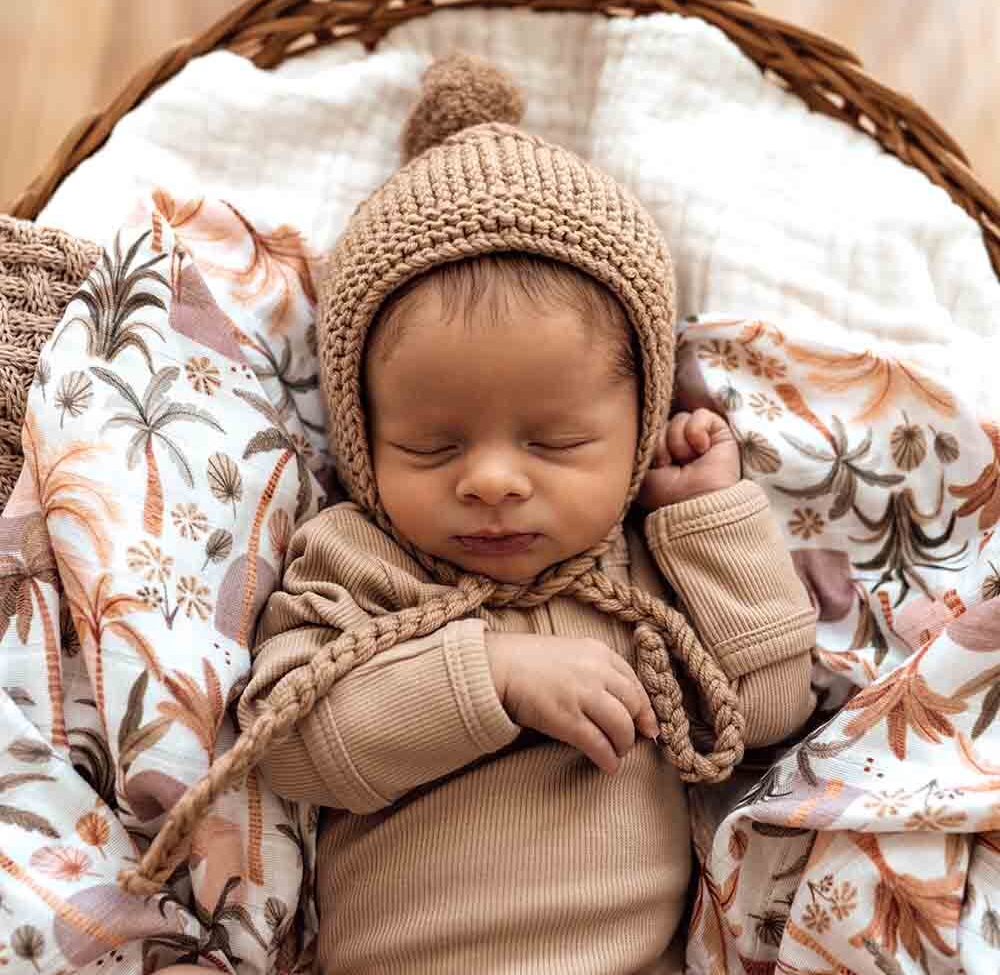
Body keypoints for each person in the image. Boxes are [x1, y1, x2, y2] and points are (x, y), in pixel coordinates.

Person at [160, 52, 817, 974]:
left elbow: (768, 707)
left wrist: (710, 519)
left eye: (553, 442)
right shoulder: (357, 559)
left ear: (638, 427)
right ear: (360, 434)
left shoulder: (644, 566)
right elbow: (295, 742)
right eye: (433, 447)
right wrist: (491, 674)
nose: (494, 481)